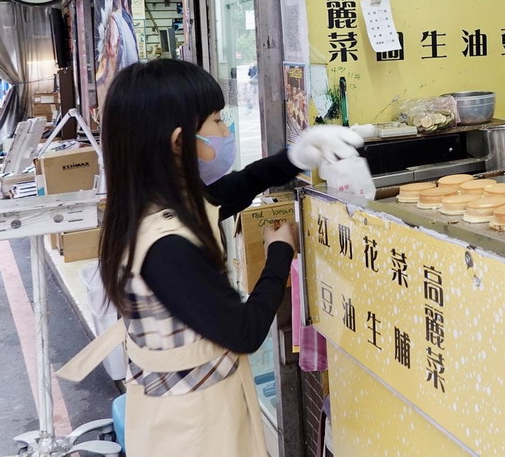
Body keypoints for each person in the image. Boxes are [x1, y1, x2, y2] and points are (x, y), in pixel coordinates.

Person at [58, 59, 363, 457]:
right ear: (179, 142)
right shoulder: (166, 245)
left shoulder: (158, 203)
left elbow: (233, 190)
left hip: (202, 404)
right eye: (217, 121)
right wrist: (279, 253)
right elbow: (245, 331)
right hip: (191, 428)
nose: (226, 131)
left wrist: (297, 156)